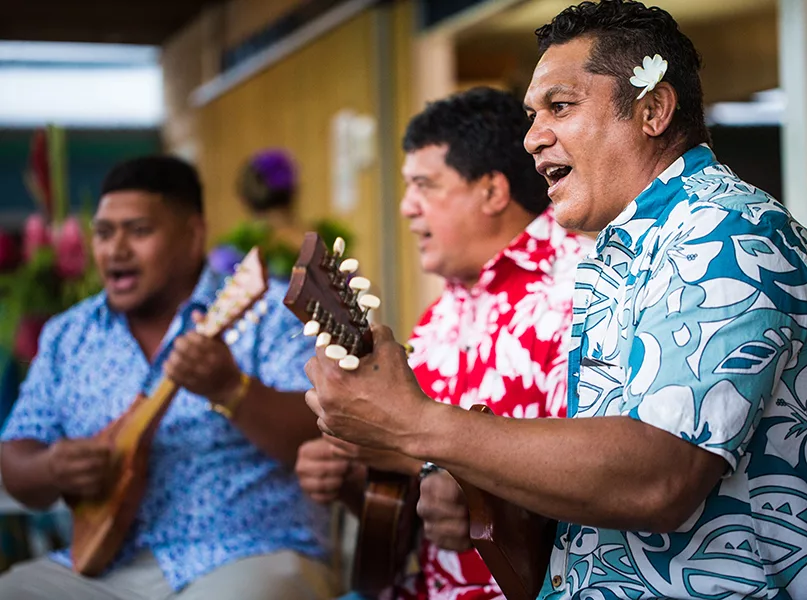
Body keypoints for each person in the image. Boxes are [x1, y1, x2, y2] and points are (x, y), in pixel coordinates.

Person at [302, 1, 807, 598]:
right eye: (531, 114)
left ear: (652, 109)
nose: (533, 137)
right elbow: (597, 482)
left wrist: (417, 427)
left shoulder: (729, 229)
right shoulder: (612, 251)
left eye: (560, 107)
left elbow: (660, 478)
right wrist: (462, 484)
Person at [295, 86, 593, 599]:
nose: (408, 207)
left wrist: (420, 458)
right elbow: (406, 505)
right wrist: (354, 471)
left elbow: (596, 475)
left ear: (491, 192)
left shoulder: (581, 288)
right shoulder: (442, 314)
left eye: (425, 185)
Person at [0, 156, 334, 600]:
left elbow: (326, 432)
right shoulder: (67, 335)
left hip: (250, 555)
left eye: (139, 231)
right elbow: (18, 454)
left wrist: (231, 390)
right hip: (104, 565)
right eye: (103, 233)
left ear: (194, 234)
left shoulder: (268, 313)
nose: (115, 250)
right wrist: (52, 468)